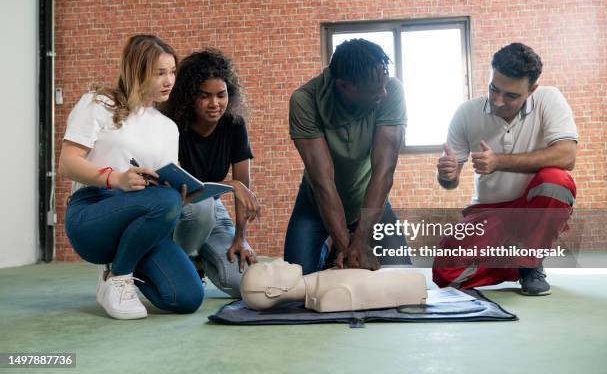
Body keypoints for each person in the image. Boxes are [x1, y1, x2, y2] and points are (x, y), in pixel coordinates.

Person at [59, 35, 204, 320]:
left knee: (187, 298)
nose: (169, 81)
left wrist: (181, 197)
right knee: (164, 200)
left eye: (172, 72)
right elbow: (67, 163)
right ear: (137, 71)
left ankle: (127, 262)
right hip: (92, 212)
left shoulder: (167, 128)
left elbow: (164, 183)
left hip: (143, 218)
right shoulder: (98, 103)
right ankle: (117, 276)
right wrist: (116, 179)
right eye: (160, 73)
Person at [434, 42, 578, 295]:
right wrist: (446, 174)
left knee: (556, 180)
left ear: (532, 89)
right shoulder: (466, 113)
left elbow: (567, 156)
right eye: (494, 89)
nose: (498, 101)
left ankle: (530, 263)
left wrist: (499, 161)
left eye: (511, 95)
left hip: (532, 208)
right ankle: (517, 261)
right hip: (487, 210)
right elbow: (450, 182)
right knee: (445, 274)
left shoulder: (549, 99)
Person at [285, 38, 409, 274]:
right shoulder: (305, 101)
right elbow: (323, 182)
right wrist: (345, 249)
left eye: (384, 85)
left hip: (369, 201)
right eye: (374, 90)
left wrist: (361, 241)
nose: (383, 93)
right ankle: (330, 245)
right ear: (344, 86)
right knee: (296, 285)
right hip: (315, 205)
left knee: (401, 277)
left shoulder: (391, 91)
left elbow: (384, 170)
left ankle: (343, 242)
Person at [162, 48, 260, 298]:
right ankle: (182, 262)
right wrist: (232, 184)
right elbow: (176, 184)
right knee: (201, 208)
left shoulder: (234, 125)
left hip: (211, 211)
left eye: (221, 95)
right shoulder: (171, 125)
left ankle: (200, 258)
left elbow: (243, 186)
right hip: (175, 210)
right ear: (189, 96)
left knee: (244, 284)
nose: (215, 104)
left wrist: (241, 238)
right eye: (204, 96)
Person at [240, 259, 426, 312]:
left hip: (409, 280)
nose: (279, 260)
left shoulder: (318, 282)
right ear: (272, 292)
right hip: (411, 286)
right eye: (271, 269)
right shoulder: (328, 297)